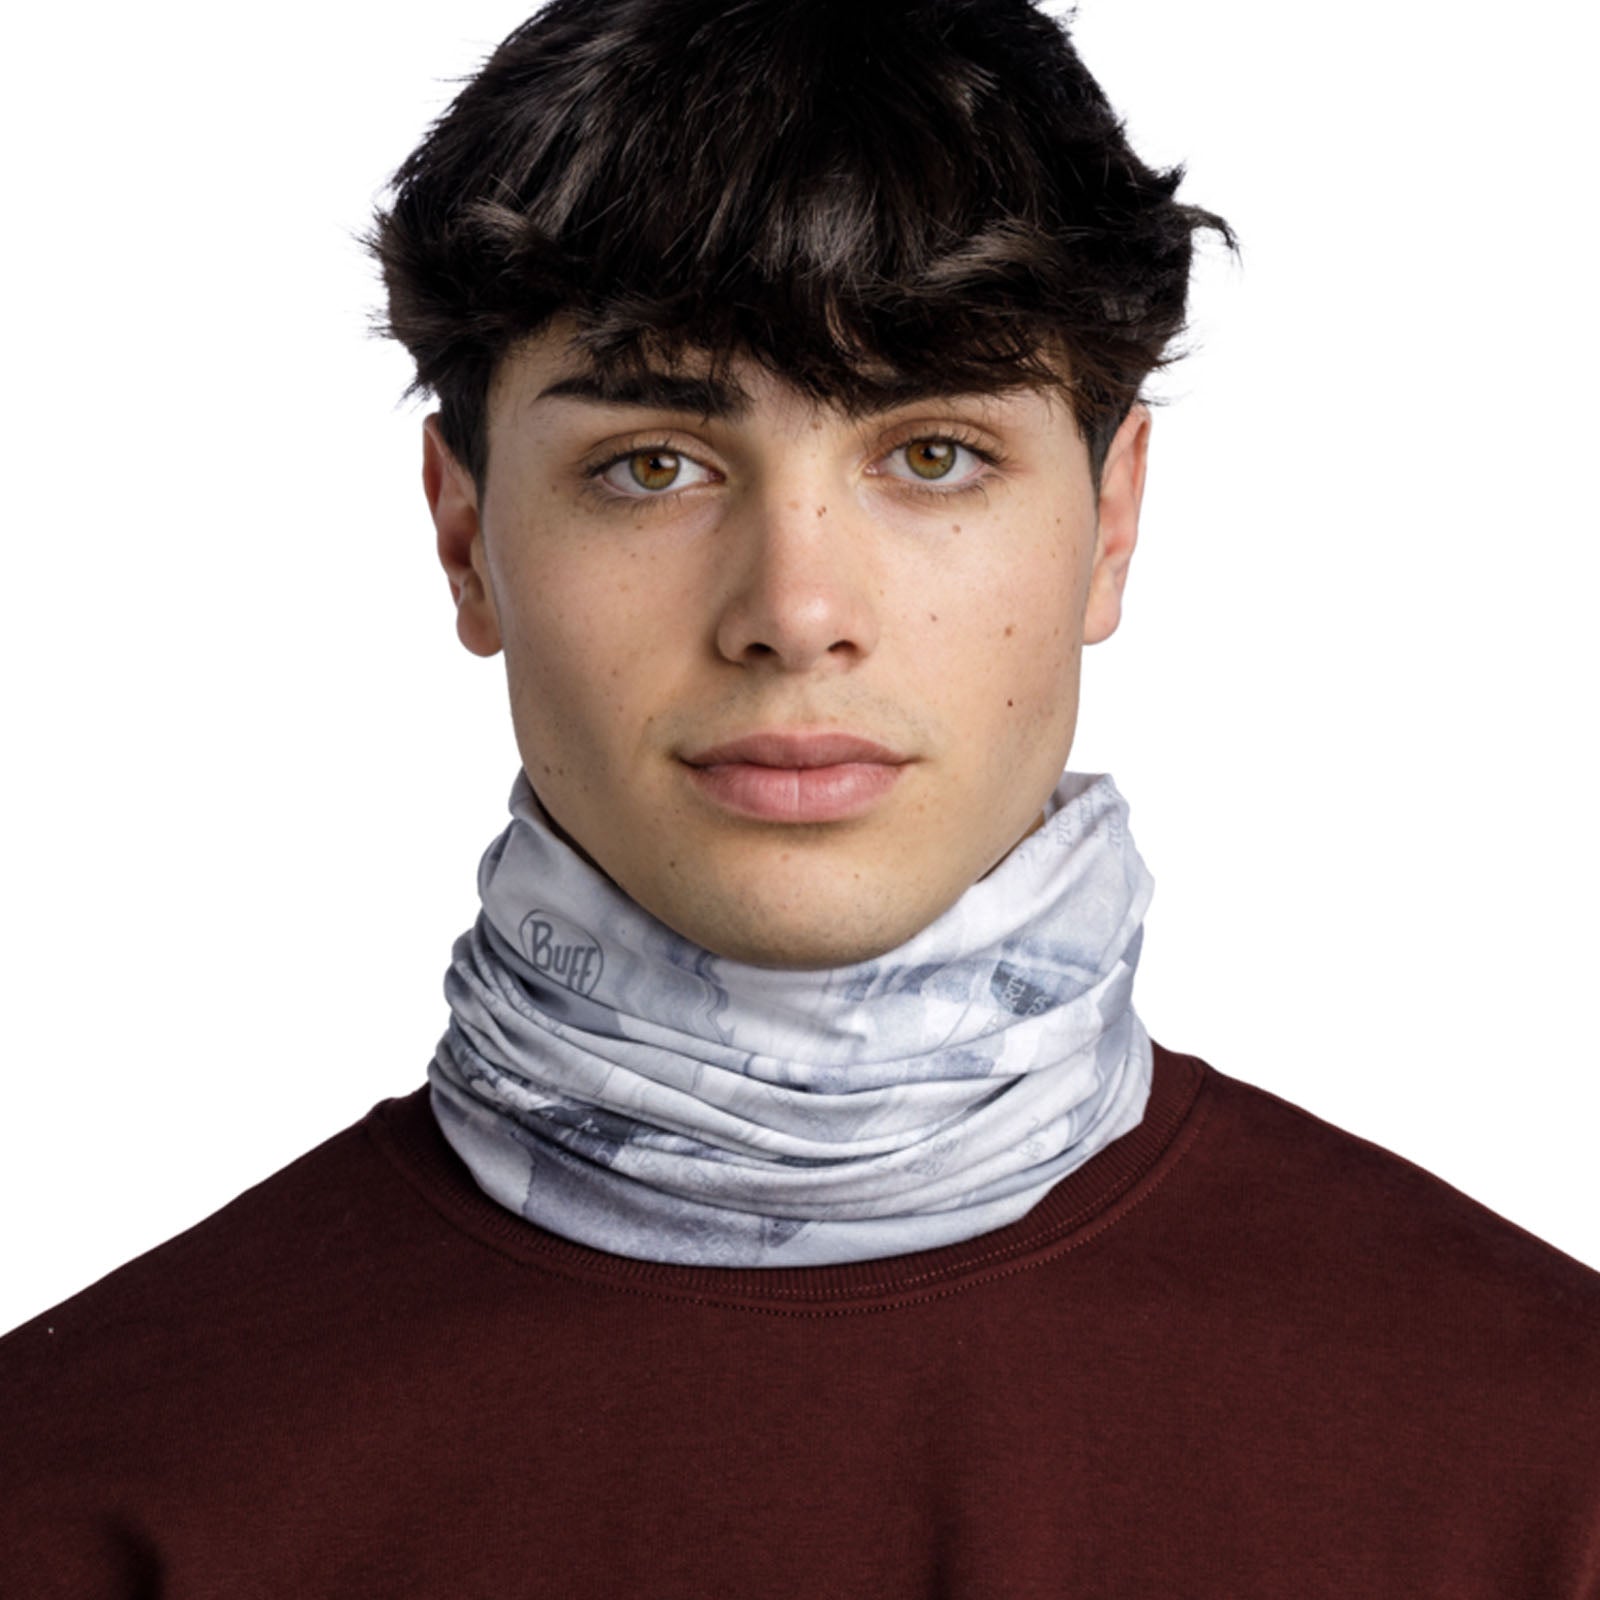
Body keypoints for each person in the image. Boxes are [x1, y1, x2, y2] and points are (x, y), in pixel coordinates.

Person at [3, 0, 1597, 1593]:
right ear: (464, 535)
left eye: (934, 455)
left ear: (1111, 525)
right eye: (652, 465)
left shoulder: (1546, 1460)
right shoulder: (80, 1493)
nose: (797, 608)